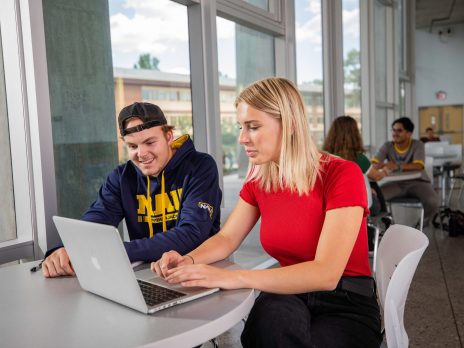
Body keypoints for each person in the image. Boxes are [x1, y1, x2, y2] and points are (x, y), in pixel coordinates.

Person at [152, 78, 382, 347]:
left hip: (345, 300)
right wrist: (186, 260)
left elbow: (326, 273)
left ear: (291, 124)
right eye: (241, 127)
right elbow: (227, 239)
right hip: (289, 292)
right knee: (268, 330)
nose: (241, 138)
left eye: (253, 126)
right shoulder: (260, 179)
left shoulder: (341, 173)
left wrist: (232, 277)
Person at [42, 102, 222, 278]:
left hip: (200, 271)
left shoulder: (200, 167)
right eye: (133, 146)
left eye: (150, 142)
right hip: (149, 274)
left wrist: (117, 251)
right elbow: (97, 217)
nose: (142, 153)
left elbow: (191, 233)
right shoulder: (121, 178)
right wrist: (66, 248)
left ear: (169, 136)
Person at [372, 117, 439, 225]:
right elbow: (374, 163)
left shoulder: (418, 145)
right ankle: (385, 226)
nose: (395, 133)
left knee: (433, 202)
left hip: (419, 183)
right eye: (393, 130)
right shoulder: (387, 146)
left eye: (399, 130)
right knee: (373, 198)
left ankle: (421, 225)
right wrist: (378, 165)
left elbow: (418, 166)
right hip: (397, 184)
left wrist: (397, 166)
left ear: (409, 133)